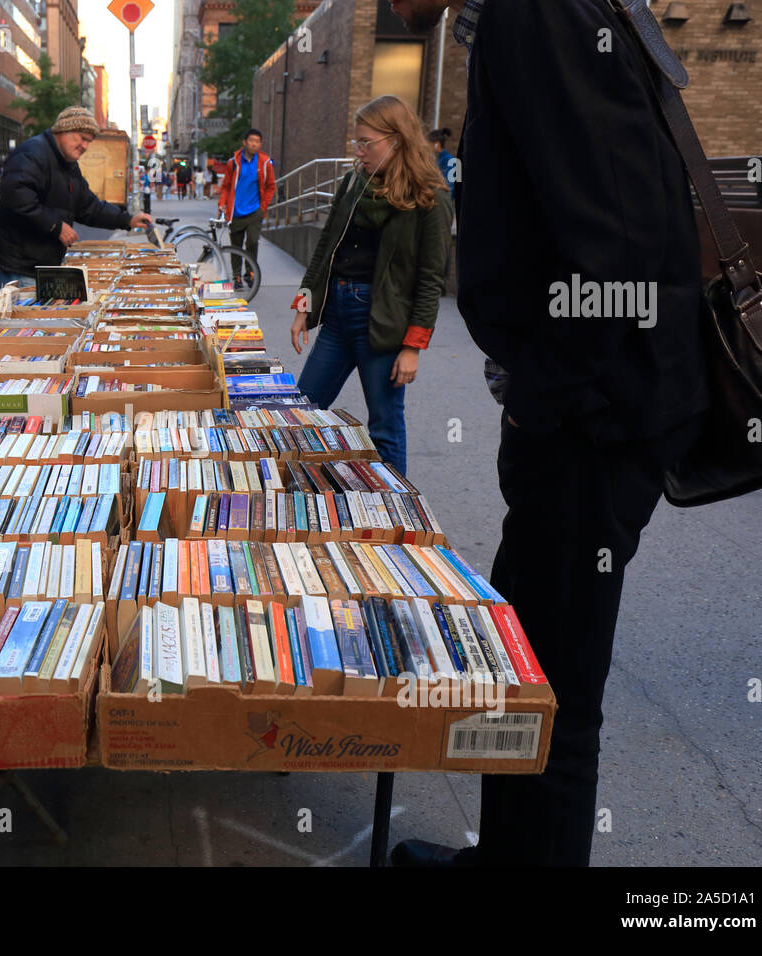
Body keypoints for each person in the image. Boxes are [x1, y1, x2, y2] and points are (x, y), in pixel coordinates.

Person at [384, 0, 708, 868]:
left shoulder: (538, 14)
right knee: (523, 668)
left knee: (553, 692)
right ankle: (505, 856)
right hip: (593, 410)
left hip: (591, 420)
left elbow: (619, 250)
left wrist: (539, 395)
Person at [289, 96, 451, 479]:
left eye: (367, 142)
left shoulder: (430, 197)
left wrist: (412, 347)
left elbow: (431, 281)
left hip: (383, 323)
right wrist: (303, 304)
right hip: (339, 315)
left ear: (396, 140)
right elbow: (326, 247)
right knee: (300, 412)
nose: (359, 151)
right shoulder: (352, 183)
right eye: (356, 143)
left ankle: (399, 520)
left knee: (384, 427)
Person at [0, 106, 154, 288]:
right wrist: (55, 226)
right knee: (29, 315)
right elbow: (16, 196)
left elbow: (89, 207)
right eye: (81, 138)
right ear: (63, 130)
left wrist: (128, 219)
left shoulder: (68, 164)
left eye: (89, 141)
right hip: (19, 266)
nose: (85, 146)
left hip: (41, 264)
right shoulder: (33, 153)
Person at [218, 128, 276, 289]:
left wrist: (262, 207)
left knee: (252, 241)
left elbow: (271, 186)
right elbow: (226, 186)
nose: (254, 144)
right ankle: (236, 276)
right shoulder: (233, 163)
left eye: (257, 141)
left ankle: (249, 272)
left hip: (254, 211)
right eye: (251, 140)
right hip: (235, 212)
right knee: (235, 246)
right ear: (245, 142)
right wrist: (222, 203)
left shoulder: (264, 163)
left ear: (260, 144)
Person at [427, 129, 456, 200]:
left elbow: (450, 186)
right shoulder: (438, 160)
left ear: (437, 144)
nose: (428, 146)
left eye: (429, 143)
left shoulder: (450, 160)